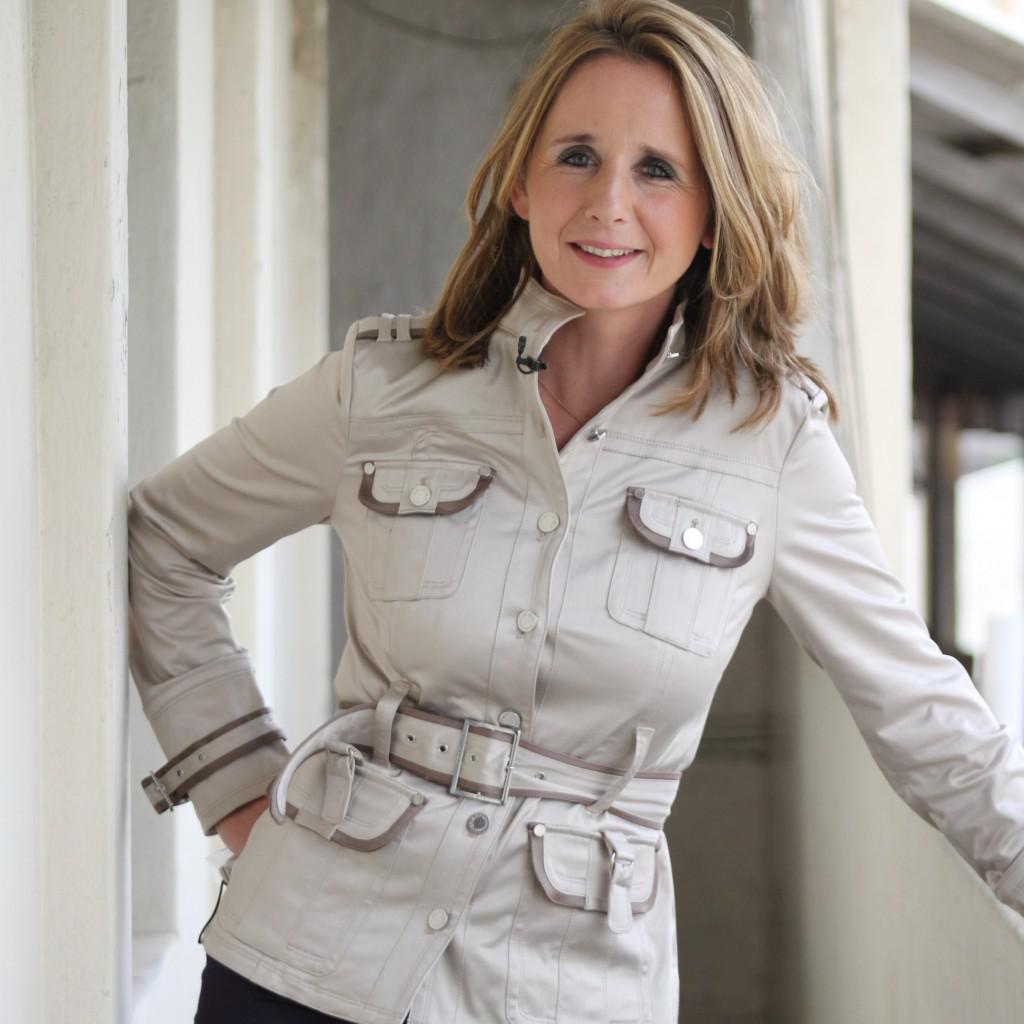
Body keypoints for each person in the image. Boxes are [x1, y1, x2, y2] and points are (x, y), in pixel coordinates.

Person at [127, 1, 1024, 1021]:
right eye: (578, 156)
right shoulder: (383, 389)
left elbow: (919, 709)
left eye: (658, 169)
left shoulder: (771, 445)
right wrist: (240, 786)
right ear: (522, 180)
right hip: (304, 961)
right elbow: (166, 540)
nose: (608, 203)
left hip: (566, 990)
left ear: (715, 209)